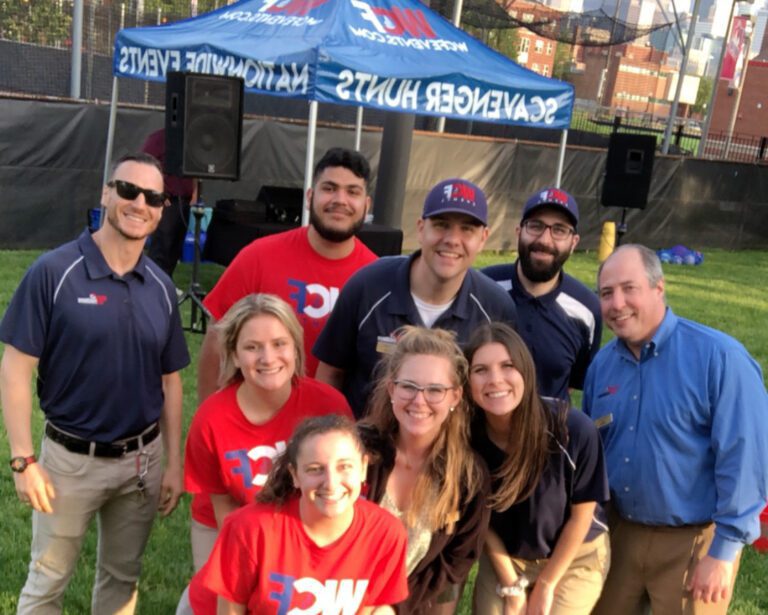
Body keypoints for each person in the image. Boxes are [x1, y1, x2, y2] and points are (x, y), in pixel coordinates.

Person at [0, 152, 190, 614]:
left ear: (163, 209)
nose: (139, 203)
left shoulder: (162, 286)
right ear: (106, 194)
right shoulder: (53, 271)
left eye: (153, 197)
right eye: (127, 190)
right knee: (47, 582)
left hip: (141, 462)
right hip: (69, 461)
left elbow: (171, 381)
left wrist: (174, 463)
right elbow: (15, 367)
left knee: (122, 582)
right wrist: (23, 459)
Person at [583, 244, 768, 615]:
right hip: (619, 535)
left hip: (695, 541)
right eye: (606, 293)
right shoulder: (602, 366)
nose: (617, 303)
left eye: (628, 288)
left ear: (658, 288)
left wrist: (723, 554)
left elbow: (746, 459)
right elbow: (592, 451)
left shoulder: (720, 359)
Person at [314, 178, 517, 417]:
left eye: (467, 229)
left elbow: (499, 395)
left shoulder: (496, 307)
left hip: (451, 451)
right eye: (441, 225)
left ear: (483, 238)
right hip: (363, 445)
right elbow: (330, 374)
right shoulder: (367, 286)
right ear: (421, 228)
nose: (452, 239)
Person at [183, 293, 353, 570]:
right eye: (252, 347)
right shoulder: (212, 417)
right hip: (227, 526)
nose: (268, 358)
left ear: (296, 348)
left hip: (312, 527)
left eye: (279, 344)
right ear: (235, 356)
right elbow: (222, 504)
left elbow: (347, 491)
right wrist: (257, 559)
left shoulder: (328, 405)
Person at [181, 414, 409, 614]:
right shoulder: (251, 528)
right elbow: (230, 610)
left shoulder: (385, 533)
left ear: (363, 468)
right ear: (295, 475)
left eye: (344, 467)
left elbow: (368, 607)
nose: (331, 483)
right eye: (315, 469)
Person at [198, 147, 377, 393]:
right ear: (310, 196)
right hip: (261, 420)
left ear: (366, 205)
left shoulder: (377, 277)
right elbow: (217, 342)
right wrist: (210, 418)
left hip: (336, 424)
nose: (340, 200)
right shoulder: (259, 256)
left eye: (352, 192)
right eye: (329, 188)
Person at [465, 322, 609, 615]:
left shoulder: (573, 429)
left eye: (508, 366)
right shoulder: (466, 438)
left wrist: (545, 585)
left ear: (526, 371)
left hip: (575, 554)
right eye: (481, 370)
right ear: (467, 381)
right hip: (506, 555)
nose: (495, 379)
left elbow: (582, 518)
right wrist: (512, 587)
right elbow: (483, 519)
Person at [359, 326, 491, 614]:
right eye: (409, 386)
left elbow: (455, 562)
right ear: (392, 388)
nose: (419, 401)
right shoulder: (354, 451)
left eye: (435, 390)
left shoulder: (468, 477)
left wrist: (392, 608)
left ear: (455, 397)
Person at [483, 187, 601, 403]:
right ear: (519, 232)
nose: (545, 240)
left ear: (574, 242)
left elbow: (574, 383)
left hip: (548, 433)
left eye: (559, 230)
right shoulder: (482, 288)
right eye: (536, 226)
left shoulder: (587, 310)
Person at [142, 127, 199, 278]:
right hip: (166, 201)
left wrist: (195, 192)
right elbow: (146, 166)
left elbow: (196, 168)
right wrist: (159, 193)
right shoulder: (158, 138)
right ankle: (152, 281)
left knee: (175, 246)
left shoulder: (192, 139)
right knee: (162, 246)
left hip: (185, 201)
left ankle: (166, 281)